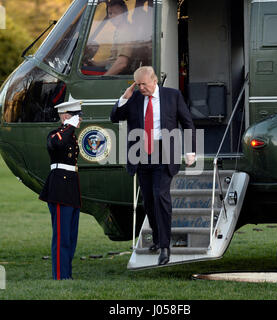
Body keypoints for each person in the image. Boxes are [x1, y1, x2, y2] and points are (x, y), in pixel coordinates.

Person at [110, 66, 196, 265]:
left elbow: (187, 122)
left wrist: (190, 151)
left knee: (160, 196)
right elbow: (114, 117)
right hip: (141, 156)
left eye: (144, 84)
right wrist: (124, 97)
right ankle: (157, 239)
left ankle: (165, 247)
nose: (141, 88)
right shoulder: (135, 98)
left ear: (154, 81)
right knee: (148, 201)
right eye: (138, 84)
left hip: (165, 154)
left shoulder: (172, 96)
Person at [39, 101, 82, 280]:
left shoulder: (70, 136)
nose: (79, 120)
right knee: (61, 237)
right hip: (59, 187)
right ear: (65, 116)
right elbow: (57, 144)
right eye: (76, 116)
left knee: (71, 236)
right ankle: (60, 276)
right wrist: (68, 126)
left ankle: (67, 275)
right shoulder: (56, 134)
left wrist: (70, 127)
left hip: (71, 188)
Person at [84, 0, 135, 75]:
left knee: (82, 72)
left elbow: (122, 63)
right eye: (110, 13)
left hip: (118, 75)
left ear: (125, 14)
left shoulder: (126, 32)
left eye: (116, 13)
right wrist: (95, 64)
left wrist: (103, 79)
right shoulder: (119, 31)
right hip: (111, 69)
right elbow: (113, 60)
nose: (112, 16)